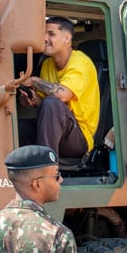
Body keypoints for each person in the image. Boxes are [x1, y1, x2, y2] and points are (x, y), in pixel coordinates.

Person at [19, 17, 98, 159]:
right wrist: (30, 99)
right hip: (56, 130)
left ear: (67, 38)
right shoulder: (47, 64)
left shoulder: (80, 62)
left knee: (51, 103)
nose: (44, 38)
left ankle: (47, 169)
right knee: (17, 128)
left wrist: (35, 81)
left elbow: (62, 95)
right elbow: (44, 105)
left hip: (78, 138)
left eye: (51, 34)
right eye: (43, 33)